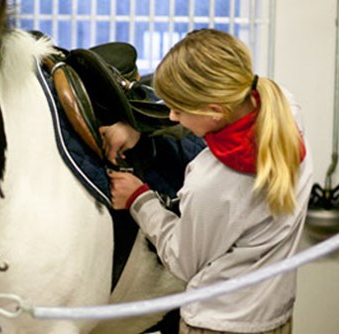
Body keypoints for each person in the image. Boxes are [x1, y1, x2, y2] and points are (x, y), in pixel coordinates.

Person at [102, 29, 313, 334]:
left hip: (216, 323)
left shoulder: (212, 179)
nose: (172, 116)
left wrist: (140, 199)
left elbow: (182, 262)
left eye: (178, 109)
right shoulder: (284, 109)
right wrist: (142, 126)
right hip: (275, 315)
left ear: (214, 111)